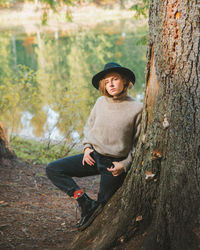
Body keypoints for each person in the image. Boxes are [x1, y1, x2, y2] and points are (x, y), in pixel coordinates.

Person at [46, 62, 143, 231]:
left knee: (103, 208)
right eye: (106, 82)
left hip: (114, 164)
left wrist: (124, 164)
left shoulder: (137, 108)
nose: (110, 84)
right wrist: (86, 148)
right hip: (92, 156)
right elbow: (89, 127)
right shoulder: (100, 102)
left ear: (125, 81)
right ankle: (83, 201)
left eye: (115, 80)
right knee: (53, 169)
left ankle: (93, 209)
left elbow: (139, 144)